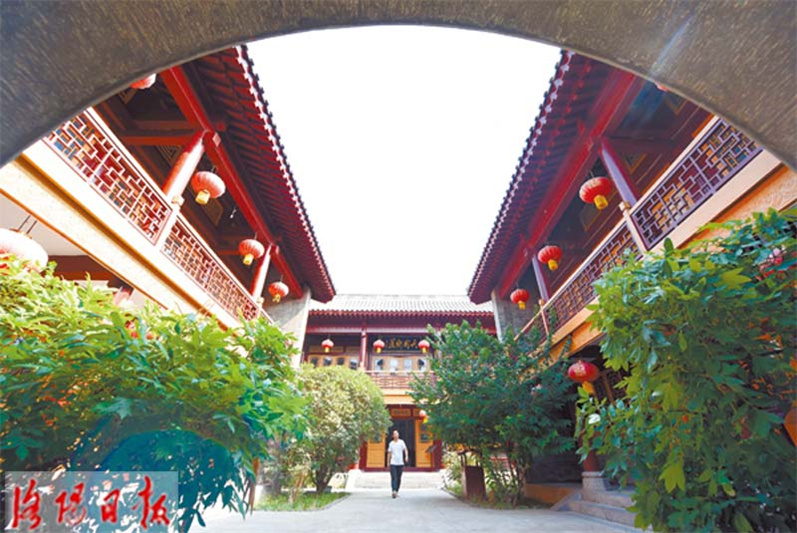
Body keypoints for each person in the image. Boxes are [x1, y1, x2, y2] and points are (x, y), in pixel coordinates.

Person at [386, 429, 408, 498]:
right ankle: (394, 491)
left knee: (399, 478)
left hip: (400, 463)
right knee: (394, 477)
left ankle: (397, 490)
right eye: (394, 434)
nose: (396, 435)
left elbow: (405, 449)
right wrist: (388, 462)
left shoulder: (401, 442)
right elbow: (389, 453)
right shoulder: (391, 444)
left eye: (397, 434)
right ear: (393, 436)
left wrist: (406, 456)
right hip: (393, 462)